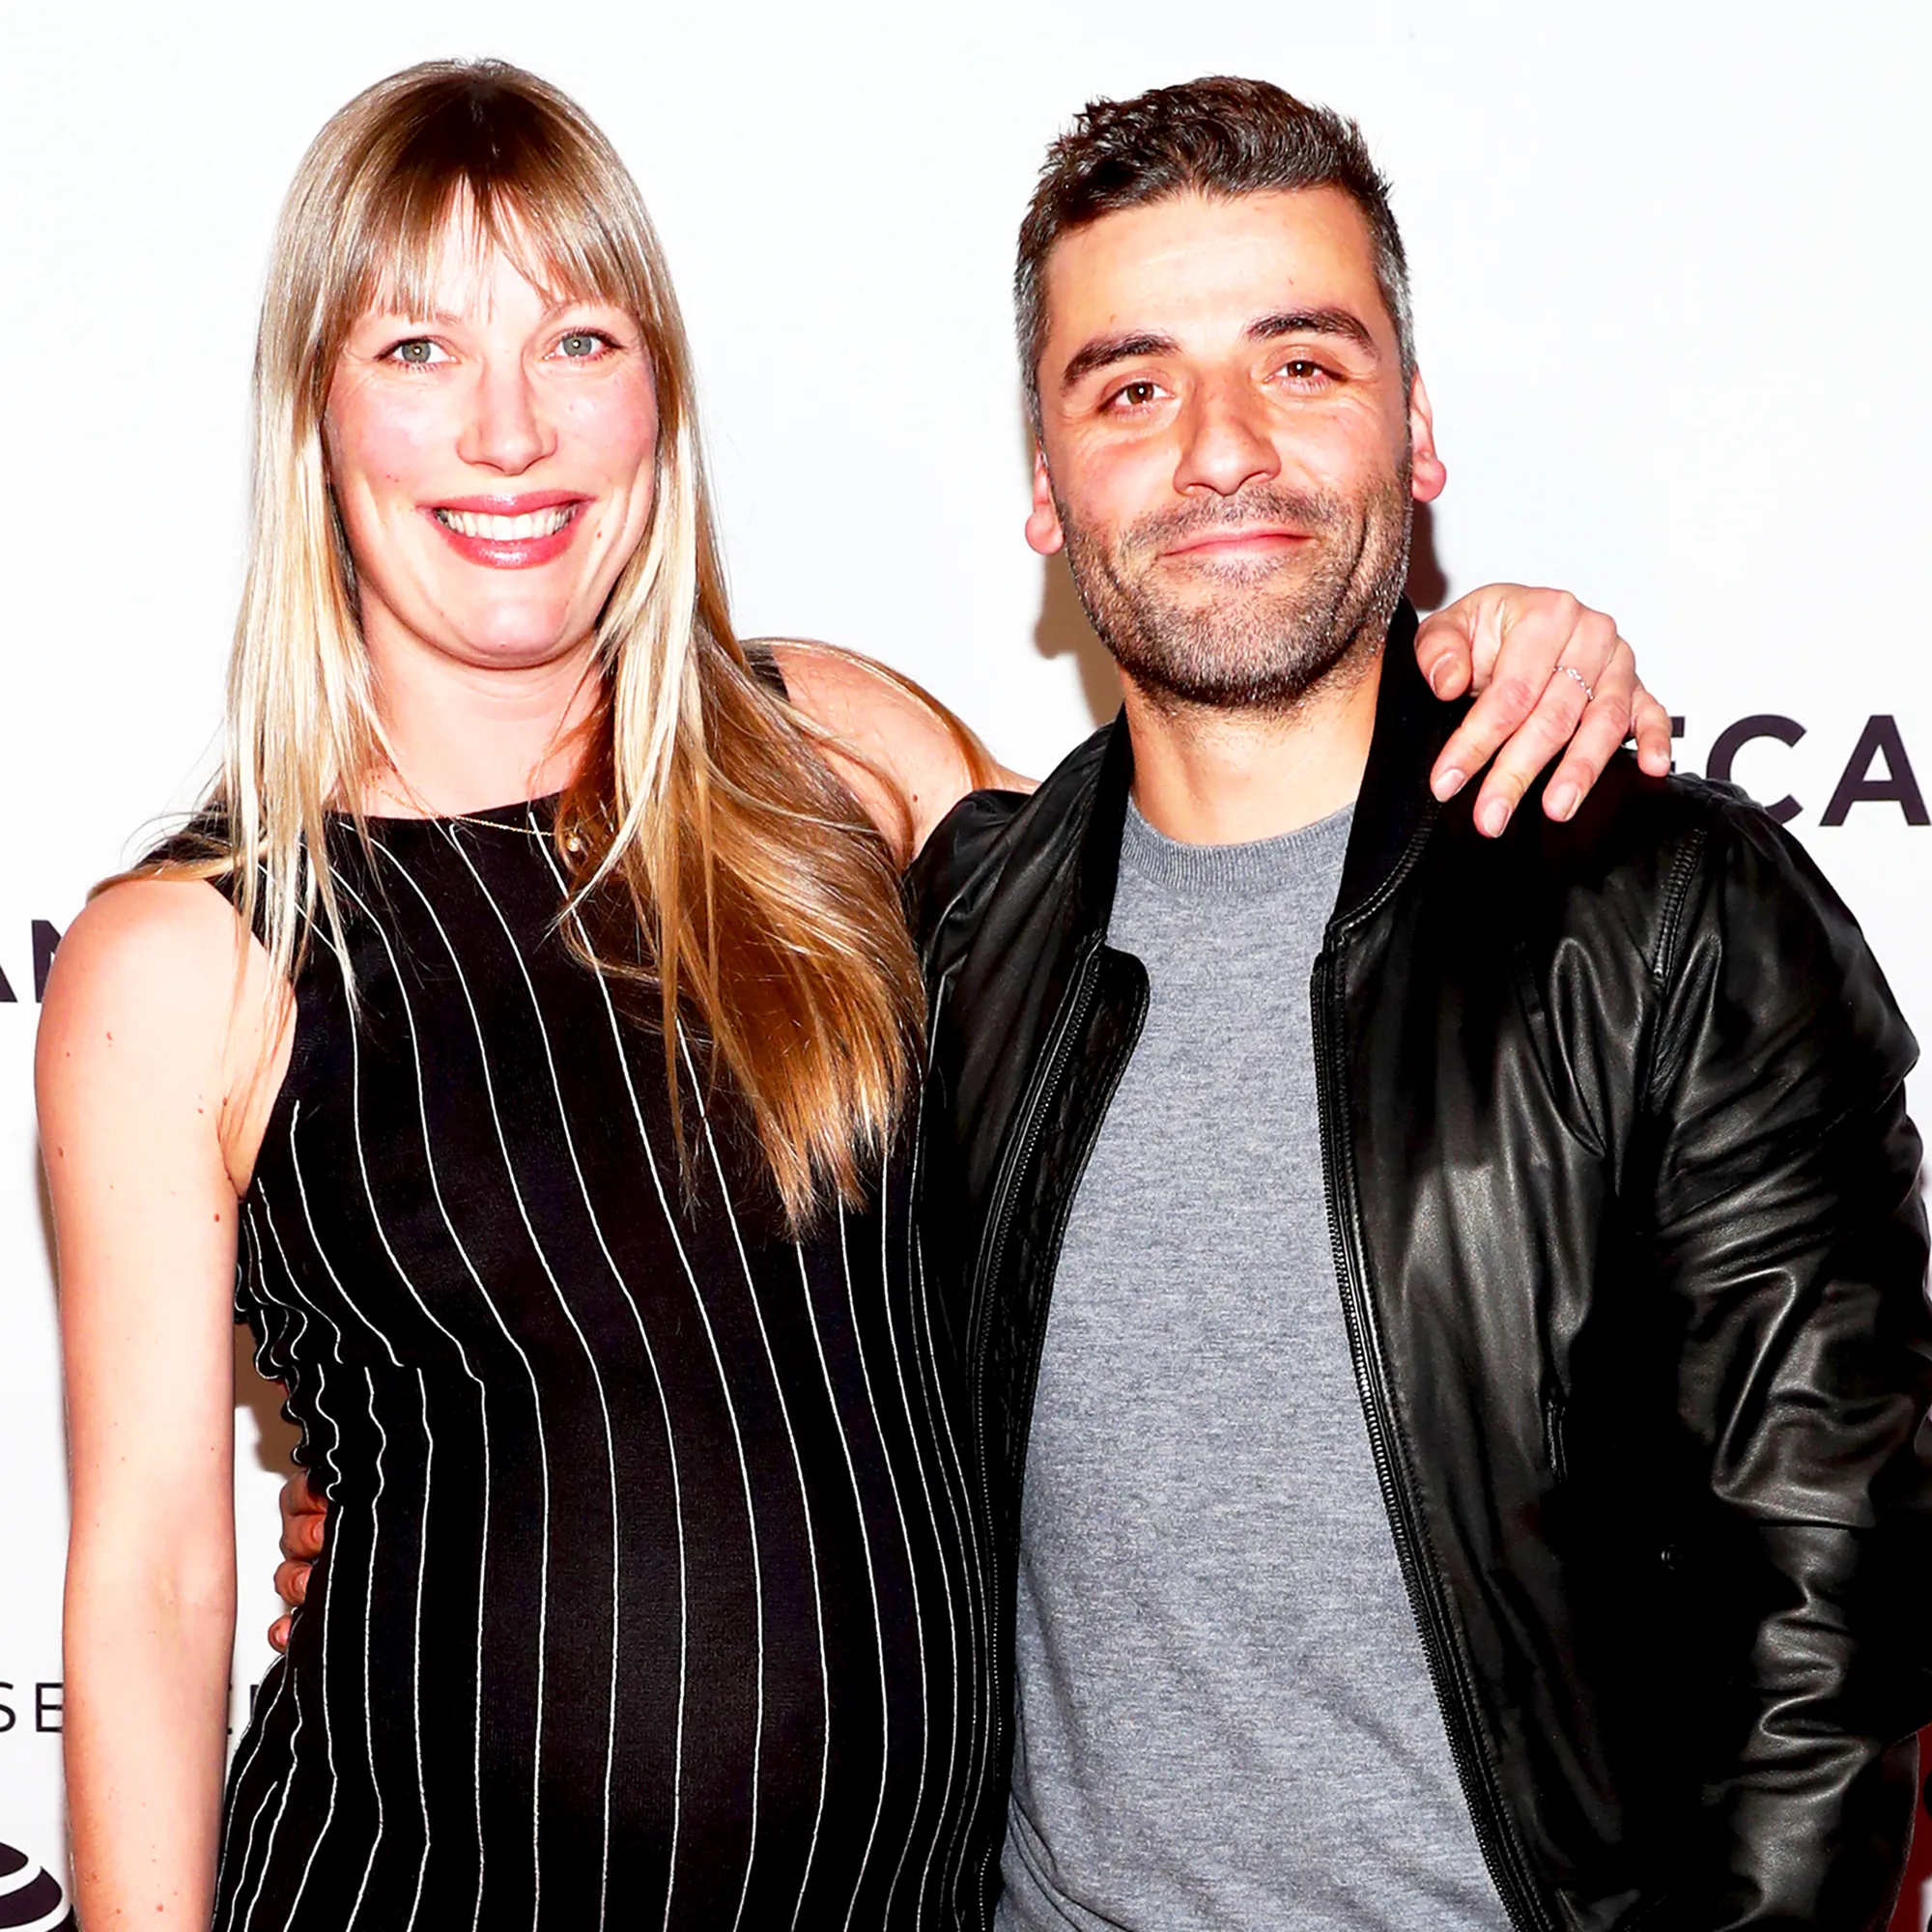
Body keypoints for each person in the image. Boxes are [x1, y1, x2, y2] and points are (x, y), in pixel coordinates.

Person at [58, 59, 1652, 1932]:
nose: (509, 432)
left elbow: (1227, 851)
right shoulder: (190, 960)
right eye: (416, 350)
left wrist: (1477, 644)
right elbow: (158, 1574)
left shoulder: (846, 758)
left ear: (658, 395)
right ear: (314, 411)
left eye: (577, 341)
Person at [904, 75, 1932, 1932]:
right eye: (1132, 386)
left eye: (1301, 364)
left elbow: (1826, 1618)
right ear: (1047, 489)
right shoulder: (969, 939)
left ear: (1419, 428)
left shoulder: (1670, 916)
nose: (1223, 450)